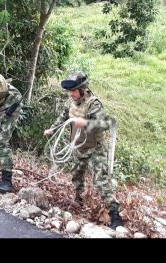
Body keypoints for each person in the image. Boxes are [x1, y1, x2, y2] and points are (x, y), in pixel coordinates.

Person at [44, 71, 123, 229]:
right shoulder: (71, 101)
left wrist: (85, 123)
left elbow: (105, 124)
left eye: (73, 91)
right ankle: (78, 204)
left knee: (101, 182)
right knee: (77, 176)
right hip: (78, 147)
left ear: (83, 89)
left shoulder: (94, 104)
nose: (71, 94)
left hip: (95, 149)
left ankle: (115, 215)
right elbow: (63, 117)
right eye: (70, 91)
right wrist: (52, 129)